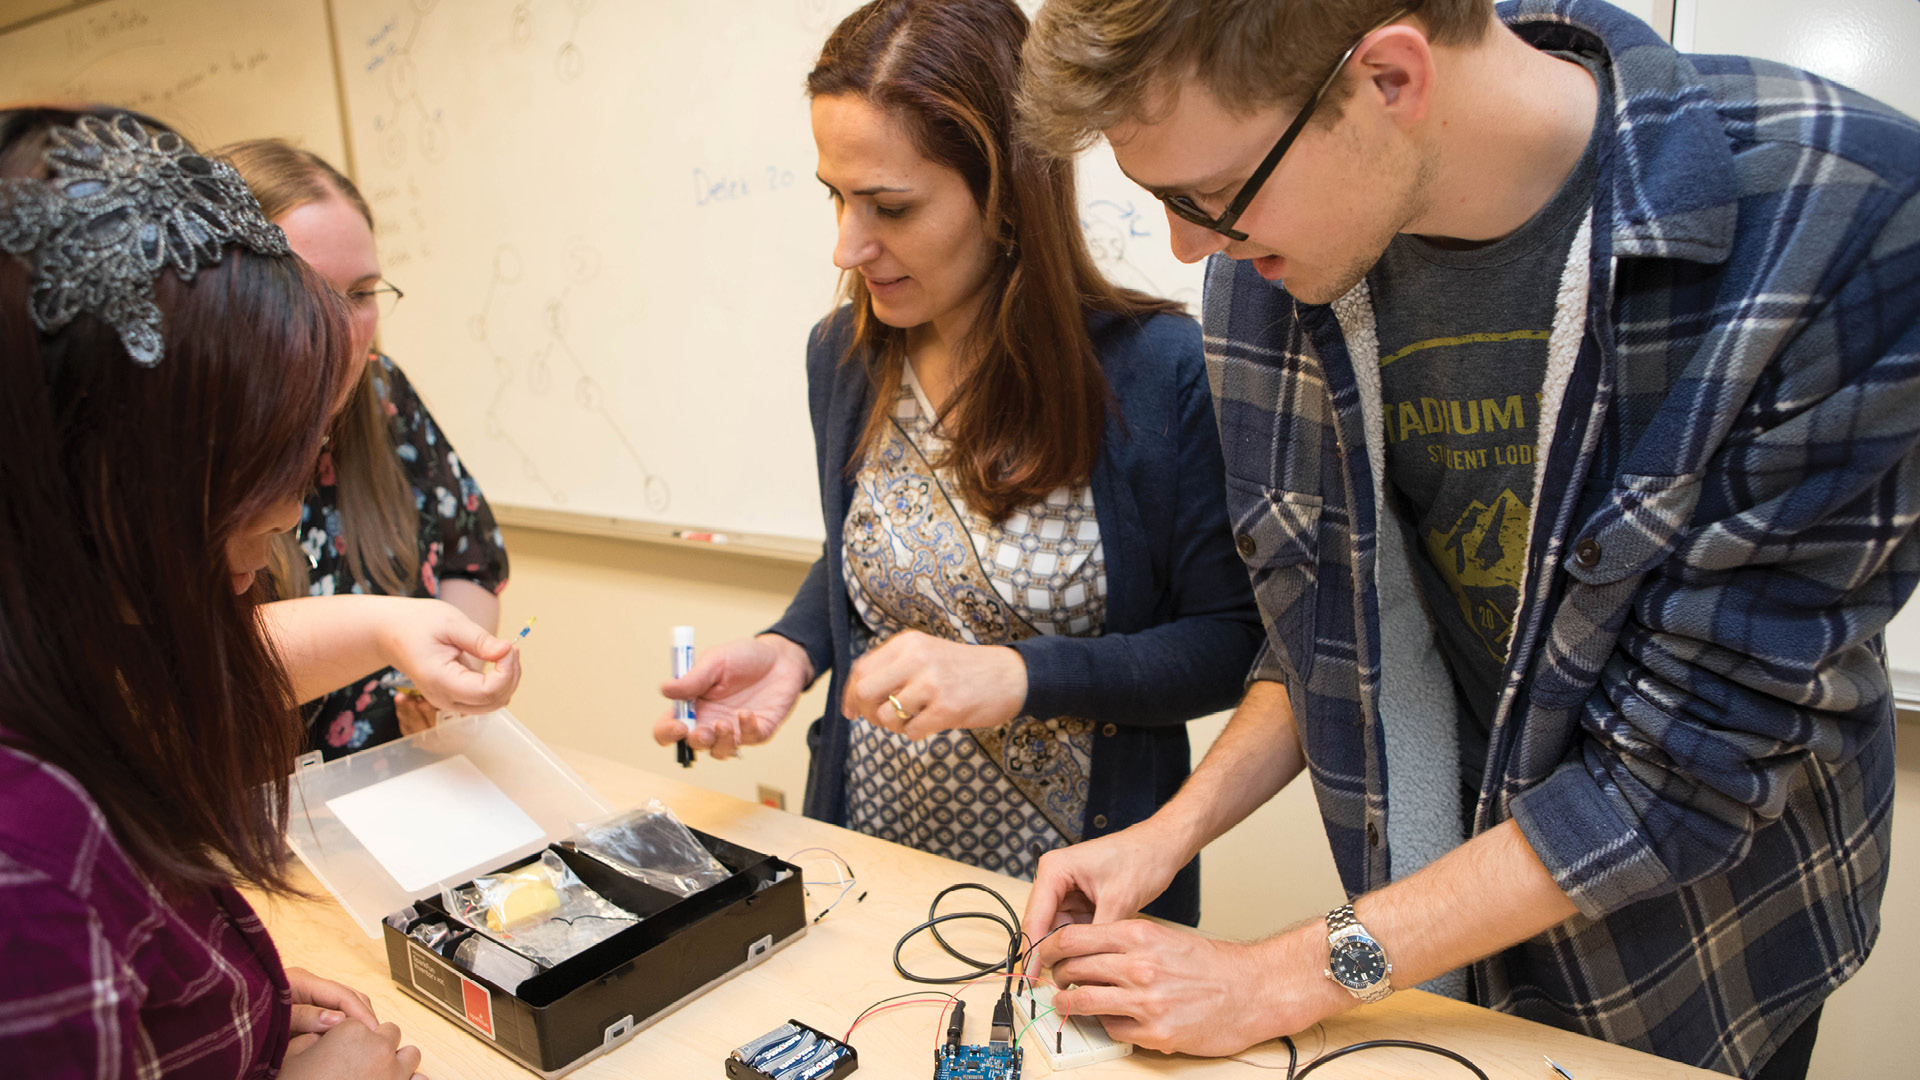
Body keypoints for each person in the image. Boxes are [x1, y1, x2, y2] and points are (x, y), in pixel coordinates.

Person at [1014, 1, 1920, 1076]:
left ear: (1390, 80)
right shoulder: (1273, 267)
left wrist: (1278, 976)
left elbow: (1675, 785)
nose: (1191, 246)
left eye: (1211, 196)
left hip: (1699, 960)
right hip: (1431, 939)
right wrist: (1170, 832)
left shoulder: (1842, 223)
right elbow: (1321, 622)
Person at [651, 0, 1260, 921]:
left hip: (1071, 908)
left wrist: (1020, 676)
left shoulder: (1156, 371)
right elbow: (874, 551)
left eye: (890, 207)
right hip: (872, 873)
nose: (848, 247)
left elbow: (1231, 645)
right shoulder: (846, 358)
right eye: (837, 196)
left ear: (1008, 192)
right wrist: (793, 647)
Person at [0, 106, 521, 1078]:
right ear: (113, 457)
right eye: (262, 454)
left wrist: (234, 991)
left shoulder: (77, 696)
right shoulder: (30, 863)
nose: (291, 508)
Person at [219, 139, 511, 759]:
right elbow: (186, 659)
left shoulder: (381, 388)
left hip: (397, 788)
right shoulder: (186, 430)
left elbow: (470, 558)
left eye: (362, 294)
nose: (345, 331)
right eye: (312, 295)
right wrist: (389, 632)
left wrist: (445, 672)